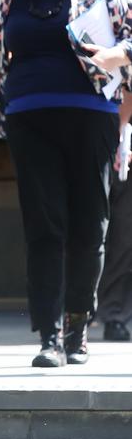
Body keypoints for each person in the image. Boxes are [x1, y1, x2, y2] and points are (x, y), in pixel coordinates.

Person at [0, 0, 132, 368]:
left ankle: (77, 328)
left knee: (90, 223)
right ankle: (48, 336)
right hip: (29, 116)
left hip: (92, 113)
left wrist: (117, 58)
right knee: (44, 226)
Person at [97, 88, 132, 341]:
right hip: (105, 135)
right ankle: (79, 311)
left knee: (121, 234)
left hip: (118, 139)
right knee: (110, 231)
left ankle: (114, 313)